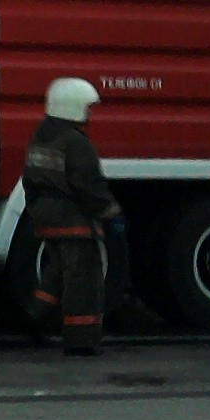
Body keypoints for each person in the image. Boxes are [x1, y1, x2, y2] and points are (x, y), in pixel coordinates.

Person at [21, 77, 126, 356]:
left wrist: (36, 212)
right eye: (87, 107)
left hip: (46, 219)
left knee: (55, 275)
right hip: (74, 223)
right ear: (73, 107)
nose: (89, 114)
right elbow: (89, 186)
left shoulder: (41, 136)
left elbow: (29, 181)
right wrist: (111, 213)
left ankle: (33, 317)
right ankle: (82, 341)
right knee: (84, 281)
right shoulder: (76, 143)